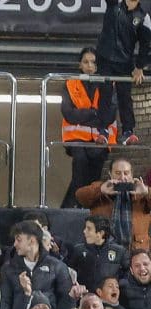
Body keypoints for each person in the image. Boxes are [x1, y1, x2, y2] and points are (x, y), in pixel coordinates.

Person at [61, 47, 115, 208]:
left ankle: (86, 205)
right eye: (86, 62)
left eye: (93, 62)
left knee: (94, 171)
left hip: (101, 137)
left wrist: (84, 115)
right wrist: (94, 114)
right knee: (80, 164)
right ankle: (74, 207)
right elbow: (68, 113)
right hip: (76, 138)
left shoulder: (107, 83)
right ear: (80, 65)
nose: (90, 65)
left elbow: (110, 113)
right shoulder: (70, 83)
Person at [0, 220, 73, 309]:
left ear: (32, 241)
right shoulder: (8, 269)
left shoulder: (57, 266)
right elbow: (4, 304)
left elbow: (65, 301)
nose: (14, 244)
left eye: (18, 240)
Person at [94, 0, 149, 147]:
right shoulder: (113, 4)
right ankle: (103, 131)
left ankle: (128, 131)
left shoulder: (144, 17)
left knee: (124, 95)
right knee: (105, 94)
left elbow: (146, 44)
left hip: (125, 63)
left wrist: (139, 67)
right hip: (105, 58)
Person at [76, 157, 151, 251]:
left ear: (132, 174)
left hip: (136, 250)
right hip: (105, 249)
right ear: (110, 174)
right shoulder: (101, 187)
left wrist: (147, 193)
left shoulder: (141, 190)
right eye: (118, 173)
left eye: (126, 173)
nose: (123, 177)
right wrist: (100, 190)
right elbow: (79, 196)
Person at [68, 215, 128, 292]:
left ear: (100, 233)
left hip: (108, 298)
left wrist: (116, 285)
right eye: (85, 228)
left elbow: (128, 273)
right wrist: (76, 286)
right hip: (86, 296)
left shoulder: (119, 251)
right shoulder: (78, 250)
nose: (84, 231)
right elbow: (69, 272)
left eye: (89, 229)